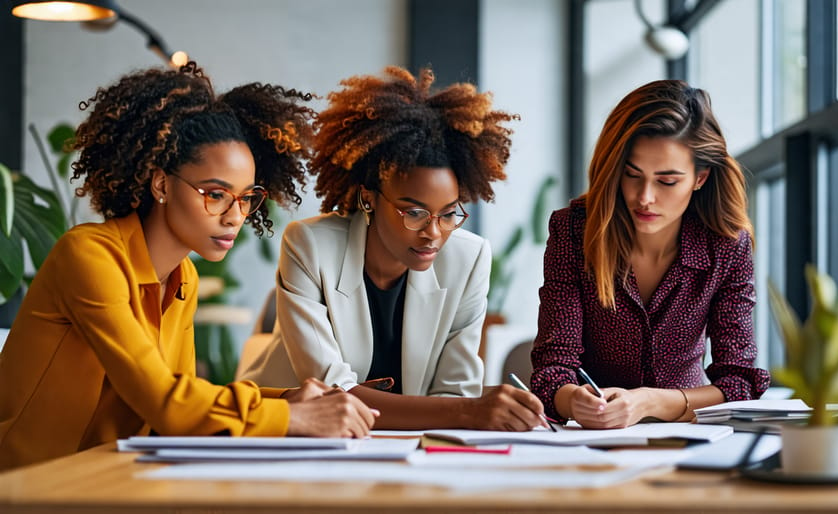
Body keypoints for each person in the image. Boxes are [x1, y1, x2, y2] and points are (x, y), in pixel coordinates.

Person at [0, 63, 376, 471]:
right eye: (216, 194)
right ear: (161, 184)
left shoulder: (183, 278)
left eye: (247, 197)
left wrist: (288, 399)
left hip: (108, 476)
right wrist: (292, 418)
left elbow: (184, 395)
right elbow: (166, 404)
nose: (236, 216)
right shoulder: (89, 255)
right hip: (27, 483)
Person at [240, 66, 547, 431]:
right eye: (414, 212)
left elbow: (454, 391)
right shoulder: (310, 246)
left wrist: (463, 410)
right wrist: (466, 411)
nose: (433, 232)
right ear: (369, 199)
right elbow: (331, 394)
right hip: (290, 433)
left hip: (402, 447)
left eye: (449, 214)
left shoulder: (468, 259)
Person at [530, 79, 770, 429]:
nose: (644, 197)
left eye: (667, 181)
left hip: (688, 437)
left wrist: (651, 401)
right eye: (632, 175)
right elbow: (552, 371)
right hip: (591, 440)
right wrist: (572, 400)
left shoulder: (726, 246)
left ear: (700, 177)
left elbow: (740, 383)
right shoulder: (573, 231)